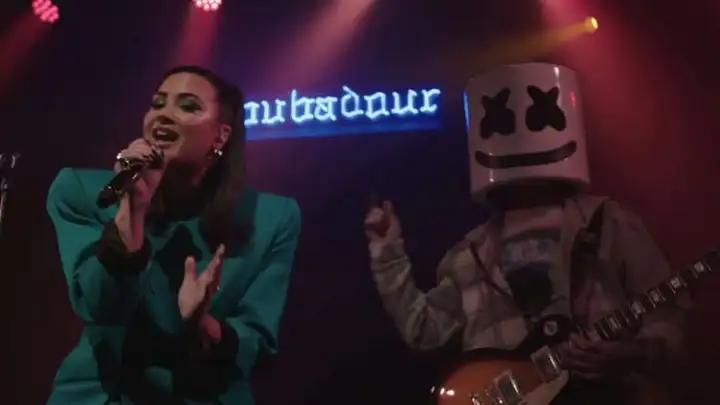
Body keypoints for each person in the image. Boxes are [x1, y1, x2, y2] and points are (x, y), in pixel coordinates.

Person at [364, 63, 690, 404]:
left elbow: (668, 316)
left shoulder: (611, 222)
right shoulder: (468, 254)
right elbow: (424, 330)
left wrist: (630, 355)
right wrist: (387, 253)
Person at [45, 65, 301, 405]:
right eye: (157, 103)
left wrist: (202, 324)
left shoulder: (270, 217)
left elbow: (257, 342)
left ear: (220, 136)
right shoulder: (83, 191)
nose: (163, 114)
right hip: (105, 394)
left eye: (188, 106)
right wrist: (132, 210)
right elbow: (98, 305)